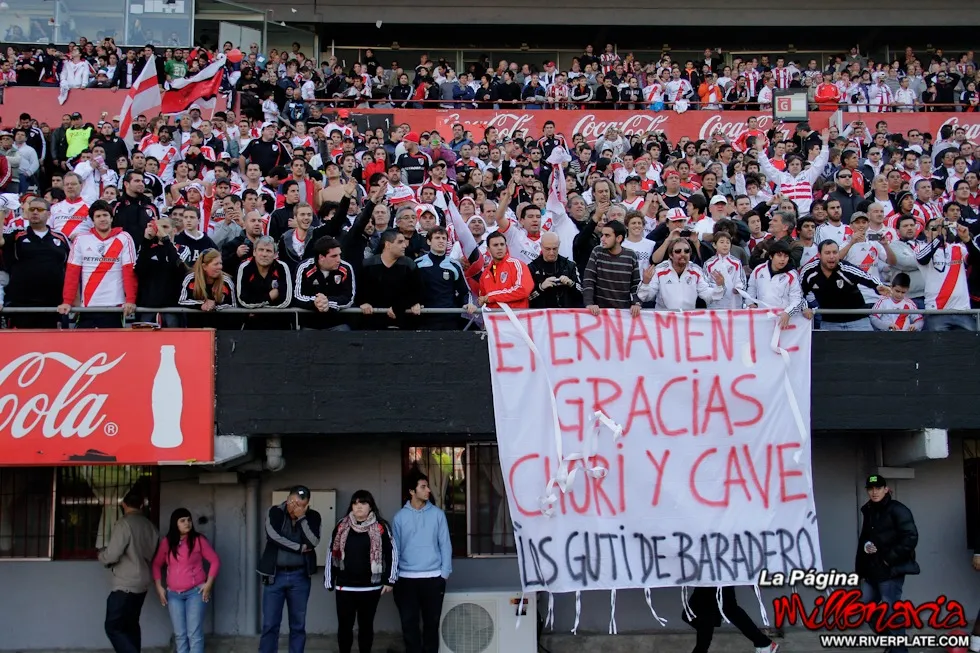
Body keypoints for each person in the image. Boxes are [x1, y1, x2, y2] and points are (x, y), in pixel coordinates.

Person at [325, 490, 397, 653]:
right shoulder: (341, 525)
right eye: (355, 503)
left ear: (370, 506)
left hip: (370, 587)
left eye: (363, 503)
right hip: (345, 587)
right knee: (344, 627)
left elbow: (392, 552)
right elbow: (331, 551)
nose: (359, 507)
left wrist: (389, 579)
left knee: (366, 627)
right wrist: (329, 579)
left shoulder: (381, 527)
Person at [855, 474, 919, 653]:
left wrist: (888, 558)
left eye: (878, 488)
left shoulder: (898, 509)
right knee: (868, 608)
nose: (874, 492)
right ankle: (892, 644)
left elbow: (911, 537)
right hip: (872, 569)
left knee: (890, 609)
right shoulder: (869, 509)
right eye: (871, 489)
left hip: (891, 569)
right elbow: (867, 536)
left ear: (885, 489)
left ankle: (899, 650)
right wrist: (866, 546)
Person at [393, 470, 452, 653]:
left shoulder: (438, 515)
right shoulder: (399, 517)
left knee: (431, 626)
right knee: (409, 626)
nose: (428, 491)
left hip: (433, 578)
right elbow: (395, 549)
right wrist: (394, 576)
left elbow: (445, 544)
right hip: (405, 579)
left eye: (427, 486)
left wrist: (444, 573)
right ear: (412, 491)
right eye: (423, 487)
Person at [258, 486, 322, 653]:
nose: (296, 507)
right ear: (288, 499)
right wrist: (299, 547)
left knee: (298, 625)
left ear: (307, 505)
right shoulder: (275, 512)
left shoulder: (313, 516)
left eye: (302, 505)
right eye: (293, 503)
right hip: (275, 576)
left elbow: (313, 541)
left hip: (300, 576)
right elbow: (273, 537)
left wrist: (302, 519)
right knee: (270, 624)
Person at [59, 199, 137, 328]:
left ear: (111, 218)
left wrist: (130, 300)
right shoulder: (81, 239)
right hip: (87, 307)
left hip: (115, 306)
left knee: (112, 347)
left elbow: (129, 272)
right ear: (92, 220)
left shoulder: (124, 238)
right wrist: (67, 301)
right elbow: (72, 273)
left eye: (105, 215)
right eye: (98, 216)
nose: (102, 219)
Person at [97, 491, 159, 653]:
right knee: (131, 624)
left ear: (123, 504)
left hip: (126, 583)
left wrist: (102, 556)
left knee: (113, 627)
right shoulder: (150, 525)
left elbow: (113, 554)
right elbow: (156, 553)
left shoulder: (124, 524)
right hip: (144, 581)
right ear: (141, 505)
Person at [152, 508, 221, 653]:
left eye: (189, 520)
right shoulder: (167, 542)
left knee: (194, 635)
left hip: (196, 592)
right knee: (180, 635)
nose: (187, 523)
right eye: (182, 521)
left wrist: (208, 584)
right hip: (173, 595)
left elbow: (215, 561)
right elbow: (156, 564)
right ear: (175, 523)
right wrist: (159, 587)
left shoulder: (198, 540)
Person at [0, 196, 69, 328]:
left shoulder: (61, 238)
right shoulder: (16, 235)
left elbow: (71, 270)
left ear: (49, 214)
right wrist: (1, 211)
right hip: (21, 306)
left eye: (39, 209)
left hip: (54, 306)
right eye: (31, 209)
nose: (35, 212)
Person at [799, 240, 891, 331]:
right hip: (829, 323)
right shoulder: (809, 271)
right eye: (827, 253)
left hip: (858, 321)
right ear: (819, 255)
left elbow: (867, 277)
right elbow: (799, 293)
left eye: (835, 252)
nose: (832, 256)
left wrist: (878, 286)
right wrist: (805, 307)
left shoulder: (847, 268)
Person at [915, 217, 980, 331]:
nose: (939, 230)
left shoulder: (957, 248)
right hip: (937, 310)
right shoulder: (920, 248)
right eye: (934, 228)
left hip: (962, 310)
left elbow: (977, 260)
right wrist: (938, 238)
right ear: (926, 232)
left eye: (942, 228)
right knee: (939, 347)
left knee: (969, 346)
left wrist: (967, 240)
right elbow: (922, 259)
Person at [684, 586, 779, 653]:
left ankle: (764, 643)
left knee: (723, 611)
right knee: (726, 610)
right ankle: (763, 643)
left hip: (718, 574)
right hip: (713, 574)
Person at [638, 237, 726, 310]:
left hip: (687, 321)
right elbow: (645, 297)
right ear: (670, 255)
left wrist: (719, 286)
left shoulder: (696, 270)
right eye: (678, 251)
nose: (683, 254)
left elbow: (707, 295)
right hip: (664, 321)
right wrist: (645, 283)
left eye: (686, 251)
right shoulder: (660, 270)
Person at [294, 236, 356, 330]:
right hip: (310, 325)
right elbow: (297, 296)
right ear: (321, 257)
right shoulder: (304, 268)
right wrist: (315, 302)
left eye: (339, 255)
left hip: (338, 324)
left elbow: (349, 298)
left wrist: (328, 303)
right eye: (334, 256)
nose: (339, 259)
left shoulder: (346, 268)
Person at [583, 220, 642, 317]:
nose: (602, 239)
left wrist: (636, 303)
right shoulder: (597, 251)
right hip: (599, 313)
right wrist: (589, 304)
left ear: (618, 238)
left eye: (607, 235)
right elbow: (589, 280)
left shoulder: (631, 255)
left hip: (623, 314)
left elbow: (635, 284)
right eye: (602, 235)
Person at [236, 235, 294, 329]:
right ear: (254, 252)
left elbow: (286, 301)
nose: (264, 254)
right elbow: (243, 300)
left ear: (275, 255)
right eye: (261, 250)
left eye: (268, 251)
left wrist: (257, 308)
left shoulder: (282, 267)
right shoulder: (244, 268)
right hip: (252, 325)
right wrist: (269, 297)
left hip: (280, 323)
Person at [178, 249, 237, 327]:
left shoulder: (226, 281)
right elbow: (182, 301)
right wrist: (202, 304)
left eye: (220, 263)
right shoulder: (191, 278)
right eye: (216, 264)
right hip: (196, 329)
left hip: (221, 330)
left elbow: (233, 306)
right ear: (204, 266)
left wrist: (214, 305)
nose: (220, 267)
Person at [478, 230, 534, 309]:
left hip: (516, 319)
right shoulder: (485, 274)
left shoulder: (517, 264)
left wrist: (491, 297)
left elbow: (523, 290)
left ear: (506, 246)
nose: (500, 248)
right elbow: (483, 299)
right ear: (488, 249)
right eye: (495, 245)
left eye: (502, 244)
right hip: (494, 320)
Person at [528, 231, 583, 308]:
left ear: (559, 245)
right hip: (542, 316)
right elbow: (527, 298)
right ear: (541, 246)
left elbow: (583, 294)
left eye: (554, 249)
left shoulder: (569, 266)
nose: (551, 252)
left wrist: (570, 283)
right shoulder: (532, 268)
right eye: (547, 249)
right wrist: (541, 287)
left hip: (566, 314)